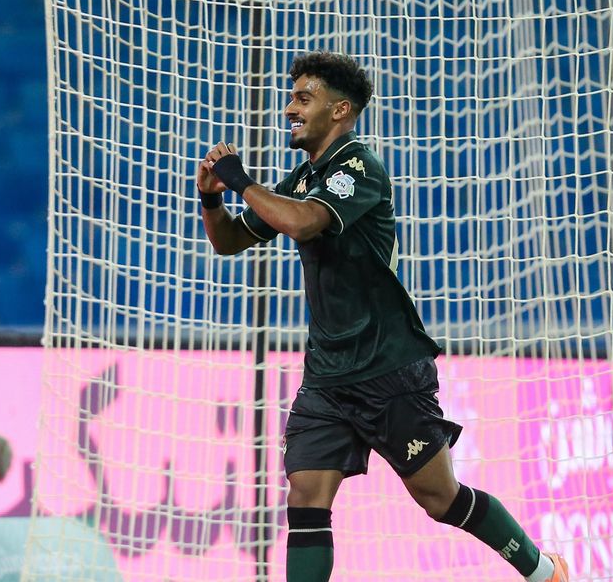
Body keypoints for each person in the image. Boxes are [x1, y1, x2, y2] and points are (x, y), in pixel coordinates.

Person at [195, 51, 569, 582]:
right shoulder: (302, 178)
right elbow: (232, 241)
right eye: (291, 97)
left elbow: (304, 225)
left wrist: (241, 181)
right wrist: (213, 201)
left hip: (389, 368)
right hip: (327, 375)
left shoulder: (358, 168)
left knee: (440, 499)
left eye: (304, 98)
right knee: (305, 493)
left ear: (341, 109)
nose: (289, 109)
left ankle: (542, 571)